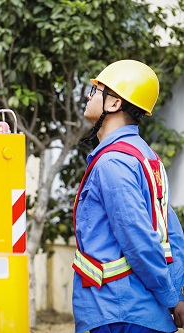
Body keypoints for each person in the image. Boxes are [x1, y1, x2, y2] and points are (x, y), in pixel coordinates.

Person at [72, 59, 184, 333]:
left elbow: (138, 240)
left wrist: (171, 298)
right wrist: (176, 294)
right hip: (139, 314)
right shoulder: (146, 157)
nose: (89, 95)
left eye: (97, 90)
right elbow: (173, 235)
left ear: (113, 104)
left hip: (121, 313)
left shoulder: (113, 163)